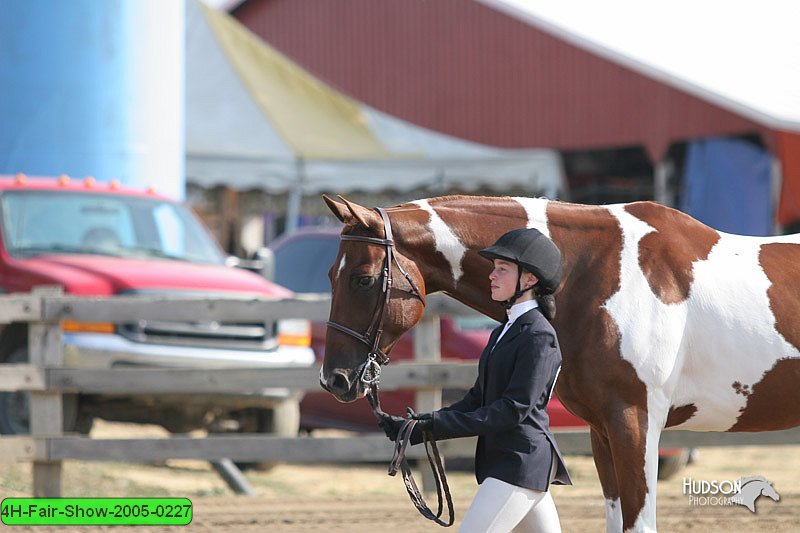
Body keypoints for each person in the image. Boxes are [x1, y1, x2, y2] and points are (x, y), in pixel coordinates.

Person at [378, 227, 571, 533]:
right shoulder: (502, 331)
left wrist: (436, 426)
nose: (492, 276)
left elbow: (513, 409)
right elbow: (477, 399)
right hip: (513, 463)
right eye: (494, 269)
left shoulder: (539, 336)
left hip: (518, 463)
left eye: (502, 269)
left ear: (530, 279)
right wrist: (419, 425)